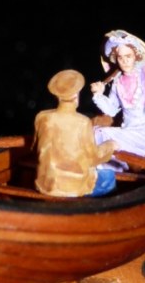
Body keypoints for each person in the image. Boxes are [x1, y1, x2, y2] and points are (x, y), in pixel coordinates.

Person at [33, 69, 117, 197]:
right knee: (109, 176)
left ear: (57, 95)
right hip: (73, 188)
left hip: (46, 185)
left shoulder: (41, 117)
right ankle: (92, 206)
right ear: (76, 95)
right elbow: (93, 158)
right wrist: (110, 145)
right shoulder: (83, 122)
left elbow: (35, 148)